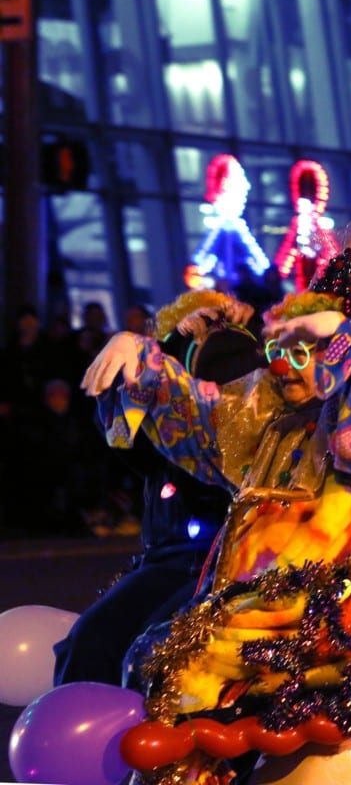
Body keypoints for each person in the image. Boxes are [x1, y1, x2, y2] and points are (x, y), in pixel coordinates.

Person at [83, 289, 351, 779]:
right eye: (278, 354)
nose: (284, 369)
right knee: (143, 653)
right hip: (247, 604)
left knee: (179, 673)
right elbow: (200, 414)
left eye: (301, 354)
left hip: (317, 611)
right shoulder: (271, 418)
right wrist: (145, 356)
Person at [54, 290, 262, 686]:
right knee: (89, 642)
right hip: (170, 562)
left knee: (154, 649)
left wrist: (237, 327)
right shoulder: (164, 429)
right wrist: (163, 345)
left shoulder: (251, 406)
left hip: (233, 566)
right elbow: (122, 434)